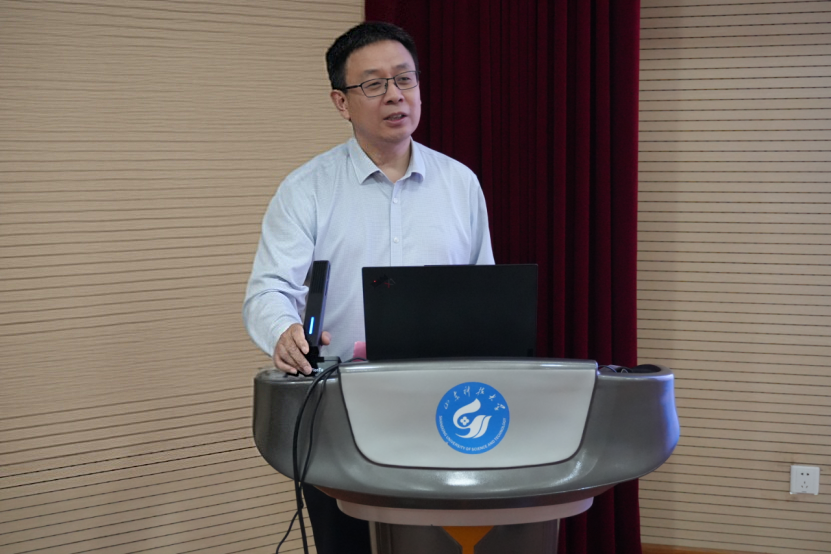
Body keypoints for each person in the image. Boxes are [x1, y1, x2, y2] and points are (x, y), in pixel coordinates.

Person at [243, 21, 494, 554]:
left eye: (405, 78)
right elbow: (268, 290)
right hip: (342, 410)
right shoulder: (306, 190)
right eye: (374, 84)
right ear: (342, 101)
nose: (395, 95)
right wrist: (284, 330)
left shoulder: (460, 184)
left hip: (446, 409)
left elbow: (486, 294)